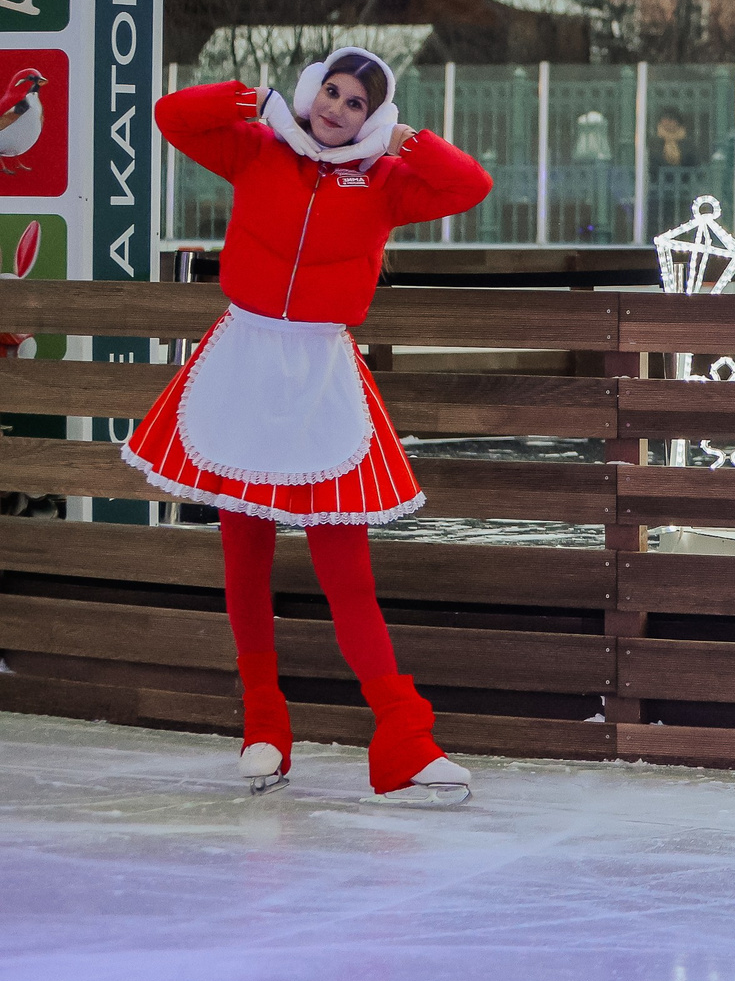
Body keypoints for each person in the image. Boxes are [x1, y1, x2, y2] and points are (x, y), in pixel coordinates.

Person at [121, 49, 495, 806]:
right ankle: (264, 722)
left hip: (320, 373)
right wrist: (249, 98)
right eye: (330, 91)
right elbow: (170, 116)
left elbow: (471, 184)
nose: (336, 109)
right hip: (245, 362)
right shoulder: (256, 146)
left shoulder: (387, 183)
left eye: (357, 102)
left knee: (346, 569)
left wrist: (405, 143)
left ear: (372, 117)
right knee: (244, 552)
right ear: (308, 92)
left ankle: (403, 736)